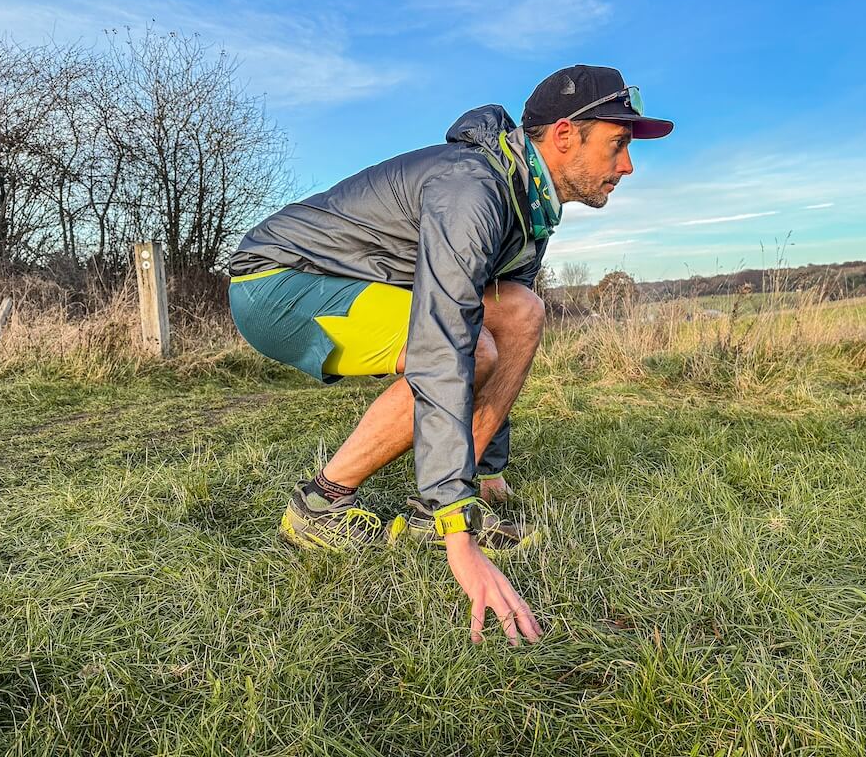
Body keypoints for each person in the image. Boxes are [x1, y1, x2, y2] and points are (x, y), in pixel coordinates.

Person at [227, 64, 673, 645]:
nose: (628, 165)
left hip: (340, 279)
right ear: (565, 135)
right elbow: (445, 342)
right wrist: (459, 535)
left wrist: (485, 473)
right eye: (618, 144)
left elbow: (505, 328)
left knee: (521, 311)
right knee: (472, 349)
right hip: (278, 282)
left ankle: (430, 510)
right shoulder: (474, 189)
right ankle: (321, 506)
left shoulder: (526, 205)